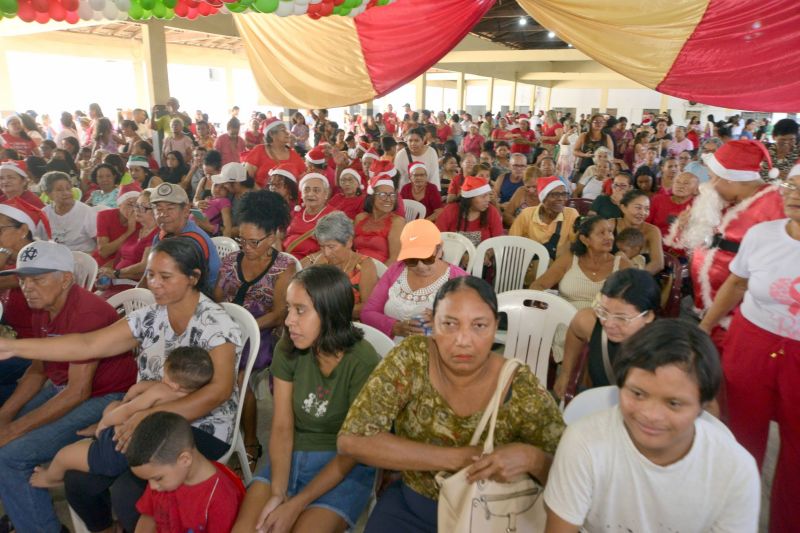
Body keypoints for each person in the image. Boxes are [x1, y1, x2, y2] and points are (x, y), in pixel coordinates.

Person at [0, 236, 243, 532]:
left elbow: (218, 392)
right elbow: (88, 345)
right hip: (144, 415)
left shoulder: (215, 323)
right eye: (150, 274)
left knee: (129, 493)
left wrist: (145, 415)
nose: (154, 284)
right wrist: (14, 347)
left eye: (165, 277)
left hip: (202, 425)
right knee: (78, 483)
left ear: (193, 277)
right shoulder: (151, 316)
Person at [339, 276, 566, 533]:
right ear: (432, 324)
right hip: (411, 508)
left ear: (495, 328)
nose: (463, 340)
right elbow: (353, 439)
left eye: (479, 325)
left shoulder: (519, 385)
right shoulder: (413, 358)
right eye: (449, 324)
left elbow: (572, 475)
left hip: (491, 517)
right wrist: (459, 458)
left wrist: (534, 460)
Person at [545, 320, 759, 533]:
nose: (651, 415)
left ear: (703, 405)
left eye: (673, 403)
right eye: (638, 394)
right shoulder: (583, 444)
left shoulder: (735, 471)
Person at [0, 241, 137, 532]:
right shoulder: (43, 306)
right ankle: (26, 509)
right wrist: (5, 416)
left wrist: (14, 429)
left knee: (11, 454)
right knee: (7, 431)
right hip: (63, 386)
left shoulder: (86, 313)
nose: (27, 287)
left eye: (37, 279)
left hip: (106, 396)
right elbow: (38, 369)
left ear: (65, 279)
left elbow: (78, 392)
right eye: (23, 279)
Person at [231, 265, 380, 533]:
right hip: (289, 454)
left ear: (330, 312)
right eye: (289, 308)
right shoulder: (288, 347)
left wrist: (297, 503)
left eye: (300, 310)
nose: (289, 320)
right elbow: (281, 426)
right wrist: (278, 492)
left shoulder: (362, 360)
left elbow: (354, 449)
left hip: (341, 466)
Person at [698, 167, 800, 532]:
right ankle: (731, 521)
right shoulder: (762, 235)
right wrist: (705, 326)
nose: (795, 194)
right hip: (751, 345)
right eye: (792, 186)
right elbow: (737, 284)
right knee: (740, 437)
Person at [28, 346, 214, 488]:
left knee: (64, 455)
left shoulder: (159, 391)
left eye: (164, 372)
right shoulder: (191, 400)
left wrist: (103, 424)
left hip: (117, 448)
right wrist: (137, 390)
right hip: (141, 443)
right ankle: (97, 436)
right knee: (113, 405)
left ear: (172, 383)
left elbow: (127, 411)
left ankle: (51, 478)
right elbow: (148, 390)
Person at [665, 140, 784, 347]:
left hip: (735, 316)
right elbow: (685, 242)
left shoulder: (773, 204)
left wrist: (707, 324)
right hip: (703, 303)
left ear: (729, 178)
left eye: (712, 178)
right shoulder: (722, 199)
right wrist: (685, 225)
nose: (708, 185)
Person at [215, 190, 295, 467]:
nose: (246, 247)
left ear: (272, 237)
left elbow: (280, 314)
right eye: (241, 240)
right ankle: (215, 427)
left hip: (262, 335)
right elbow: (217, 299)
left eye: (253, 242)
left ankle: (250, 441)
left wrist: (247, 326)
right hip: (228, 329)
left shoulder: (284, 268)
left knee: (238, 376)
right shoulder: (230, 261)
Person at [128, 412, 245, 532]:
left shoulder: (221, 500)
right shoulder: (163, 477)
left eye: (157, 478)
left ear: (185, 460)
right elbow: (148, 516)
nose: (152, 486)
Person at [552, 269, 659, 399]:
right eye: (603, 312)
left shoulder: (664, 353)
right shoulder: (591, 323)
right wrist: (566, 373)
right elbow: (575, 331)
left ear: (648, 316)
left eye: (621, 318)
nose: (608, 324)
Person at [361, 219, 467, 339]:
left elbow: (475, 325)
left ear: (439, 250)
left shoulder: (459, 280)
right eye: (411, 260)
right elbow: (367, 313)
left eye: (427, 259)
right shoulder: (396, 270)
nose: (420, 266)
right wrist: (395, 327)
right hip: (390, 345)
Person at [532, 215, 630, 309]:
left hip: (603, 318)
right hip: (566, 316)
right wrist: (545, 306)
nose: (609, 237)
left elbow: (635, 297)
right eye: (601, 233)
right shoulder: (570, 259)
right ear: (585, 239)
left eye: (610, 232)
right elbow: (538, 285)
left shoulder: (621, 264)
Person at [302, 211, 378, 319]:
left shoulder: (365, 266)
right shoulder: (321, 262)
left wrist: (330, 311)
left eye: (331, 247)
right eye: (322, 246)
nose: (326, 253)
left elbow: (367, 307)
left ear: (348, 242)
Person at [149, 182, 222, 288]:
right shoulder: (161, 235)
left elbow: (183, 286)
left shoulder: (192, 242)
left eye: (170, 208)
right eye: (159, 209)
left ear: (186, 211)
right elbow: (150, 273)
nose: (163, 214)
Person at [97, 189, 159, 296]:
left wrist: (116, 273)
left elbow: (144, 267)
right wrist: (104, 273)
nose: (137, 210)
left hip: (134, 288)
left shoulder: (157, 234)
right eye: (136, 206)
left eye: (143, 207)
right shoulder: (137, 230)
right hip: (117, 283)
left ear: (156, 210)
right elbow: (119, 258)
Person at [510, 176, 579, 260]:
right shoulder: (527, 214)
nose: (561, 198)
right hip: (530, 263)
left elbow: (578, 244)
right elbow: (513, 242)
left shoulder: (571, 214)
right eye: (555, 195)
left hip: (558, 265)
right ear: (543, 198)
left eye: (564, 194)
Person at [435, 176, 503, 247]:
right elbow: (438, 238)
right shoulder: (450, 210)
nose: (488, 199)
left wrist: (488, 252)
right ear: (469, 199)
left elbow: (498, 241)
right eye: (483, 196)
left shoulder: (491, 211)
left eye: (488, 195)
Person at [41, 170, 98, 253]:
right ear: (48, 194)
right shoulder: (44, 213)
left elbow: (100, 244)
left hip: (82, 256)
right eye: (60, 190)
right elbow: (40, 242)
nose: (66, 193)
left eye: (68, 188)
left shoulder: (86, 212)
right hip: (54, 257)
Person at [283, 172, 336, 260]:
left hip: (313, 263)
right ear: (301, 194)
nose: (310, 194)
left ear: (326, 194)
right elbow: (280, 236)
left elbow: (335, 248)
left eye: (316, 190)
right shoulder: (296, 212)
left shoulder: (333, 216)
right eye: (306, 190)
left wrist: (309, 261)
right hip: (286, 258)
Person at [609, 190, 664, 274]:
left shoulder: (652, 231)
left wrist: (637, 278)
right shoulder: (611, 224)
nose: (643, 213)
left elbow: (658, 263)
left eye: (647, 209)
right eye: (638, 208)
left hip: (643, 277)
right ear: (623, 208)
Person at [245, 118, 306, 189]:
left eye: (286, 130)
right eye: (283, 130)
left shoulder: (294, 155)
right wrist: (261, 193)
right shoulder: (259, 151)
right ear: (271, 134)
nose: (287, 133)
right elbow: (247, 178)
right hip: (260, 194)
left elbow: (303, 181)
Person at [647, 171, 698, 237]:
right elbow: (645, 224)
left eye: (686, 183)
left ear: (696, 190)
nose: (680, 186)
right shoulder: (657, 200)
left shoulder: (698, 205)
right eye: (677, 182)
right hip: (656, 240)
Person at [761, 118, 799, 182]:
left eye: (792, 139)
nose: (787, 143)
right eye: (783, 140)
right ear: (773, 137)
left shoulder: (797, 153)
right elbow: (759, 174)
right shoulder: (764, 151)